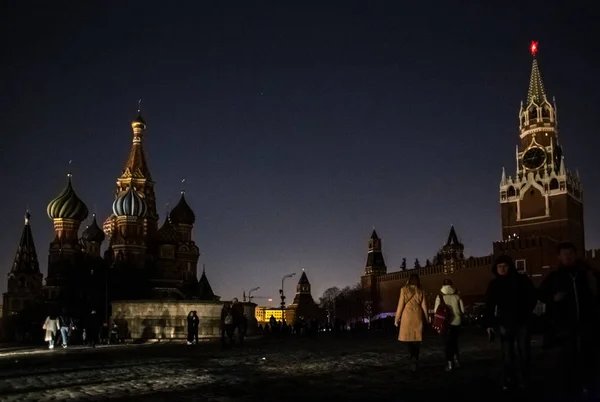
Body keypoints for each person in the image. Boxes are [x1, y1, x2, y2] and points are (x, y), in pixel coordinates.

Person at [538, 242, 599, 396]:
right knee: (568, 358)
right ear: (559, 257)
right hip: (565, 326)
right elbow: (540, 294)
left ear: (575, 254)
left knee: (588, 356)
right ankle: (570, 387)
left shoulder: (586, 273)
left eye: (571, 253)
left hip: (587, 323)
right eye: (564, 254)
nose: (568, 256)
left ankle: (587, 386)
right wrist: (553, 298)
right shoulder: (555, 277)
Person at [484, 255, 537, 391]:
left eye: (504, 266)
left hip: (522, 322)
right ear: (496, 268)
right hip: (505, 323)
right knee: (507, 355)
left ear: (510, 266)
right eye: (499, 266)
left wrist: (526, 312)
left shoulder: (522, 280)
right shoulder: (494, 285)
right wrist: (489, 324)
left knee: (524, 352)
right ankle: (509, 378)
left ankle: (524, 379)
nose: (502, 269)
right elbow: (489, 305)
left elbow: (532, 296)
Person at [394, 274, 429, 373]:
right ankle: (415, 358)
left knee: (409, 339)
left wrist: (397, 318)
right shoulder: (420, 291)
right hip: (417, 315)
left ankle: (412, 358)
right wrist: (427, 318)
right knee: (417, 340)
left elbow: (400, 305)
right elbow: (424, 306)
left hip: (407, 316)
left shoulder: (404, 290)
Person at [434, 279, 465, 371]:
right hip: (456, 322)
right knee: (454, 342)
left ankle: (449, 363)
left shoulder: (439, 297)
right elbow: (463, 310)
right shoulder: (457, 296)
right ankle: (456, 360)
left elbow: (436, 311)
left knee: (447, 344)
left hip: (445, 324)